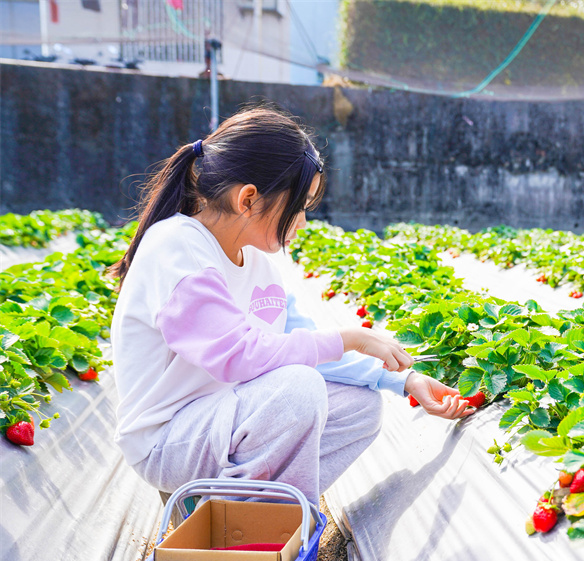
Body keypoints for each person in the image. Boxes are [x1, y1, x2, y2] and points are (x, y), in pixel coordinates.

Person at [109, 105, 473, 506]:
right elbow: (239, 356)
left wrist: (402, 381)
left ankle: (250, 511)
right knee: (298, 390)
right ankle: (237, 528)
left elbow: (301, 344)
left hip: (224, 419)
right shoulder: (177, 246)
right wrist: (349, 337)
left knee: (359, 409)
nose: (302, 222)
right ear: (248, 198)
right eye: (298, 207)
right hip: (169, 439)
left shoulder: (259, 265)